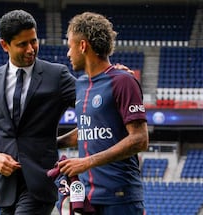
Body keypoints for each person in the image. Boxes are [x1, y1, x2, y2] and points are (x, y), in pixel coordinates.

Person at [0, 10, 77, 215]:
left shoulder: (57, 75)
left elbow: (91, 102)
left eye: (34, 41)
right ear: (4, 45)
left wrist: (114, 78)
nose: (31, 49)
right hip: (7, 187)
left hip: (41, 182)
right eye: (22, 44)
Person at [56, 12, 149, 215]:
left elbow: (140, 139)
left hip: (121, 198)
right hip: (89, 198)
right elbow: (88, 130)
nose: (68, 54)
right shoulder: (80, 84)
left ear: (82, 46)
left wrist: (87, 162)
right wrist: (53, 143)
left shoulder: (123, 81)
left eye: (70, 46)